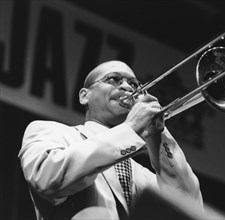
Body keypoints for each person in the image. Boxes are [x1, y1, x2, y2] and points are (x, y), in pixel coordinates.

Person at [18, 60, 203, 220]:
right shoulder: (51, 131)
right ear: (84, 96)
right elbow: (47, 178)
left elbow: (189, 209)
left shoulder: (144, 175)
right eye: (114, 79)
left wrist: (158, 136)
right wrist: (130, 129)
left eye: (135, 84)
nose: (128, 87)